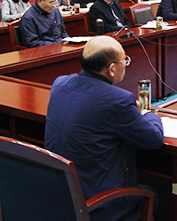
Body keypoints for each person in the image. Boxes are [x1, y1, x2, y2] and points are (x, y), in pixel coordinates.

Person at [45, 36, 164, 221]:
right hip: (97, 206)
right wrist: (150, 114)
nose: (126, 64)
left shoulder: (60, 84)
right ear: (112, 69)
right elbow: (153, 138)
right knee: (155, 193)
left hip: (60, 196)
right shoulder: (118, 100)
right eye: (125, 60)